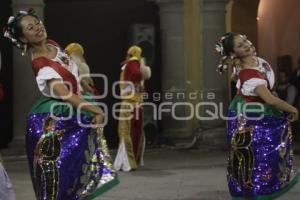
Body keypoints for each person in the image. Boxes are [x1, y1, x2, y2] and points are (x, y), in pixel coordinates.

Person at [3, 9, 118, 199]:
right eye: (30, 28)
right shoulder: (42, 66)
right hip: (56, 121)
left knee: (77, 169)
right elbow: (66, 95)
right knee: (60, 176)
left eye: (37, 22)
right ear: (24, 39)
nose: (38, 28)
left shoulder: (52, 45)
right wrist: (95, 109)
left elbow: (69, 69)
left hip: (72, 110)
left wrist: (81, 82)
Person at [215, 32, 299, 199]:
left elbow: (238, 79)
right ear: (234, 53)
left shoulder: (251, 63)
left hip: (252, 109)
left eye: (244, 40)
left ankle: (253, 190)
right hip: (251, 115)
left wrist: (267, 91)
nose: (246, 44)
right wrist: (293, 109)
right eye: (240, 45)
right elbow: (270, 100)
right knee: (258, 157)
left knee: (258, 155)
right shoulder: (250, 73)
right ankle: (257, 192)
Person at [113, 46, 151, 172]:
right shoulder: (136, 64)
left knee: (127, 132)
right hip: (136, 104)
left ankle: (128, 161)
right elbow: (138, 76)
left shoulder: (130, 64)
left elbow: (136, 75)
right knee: (134, 132)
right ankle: (132, 160)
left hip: (129, 104)